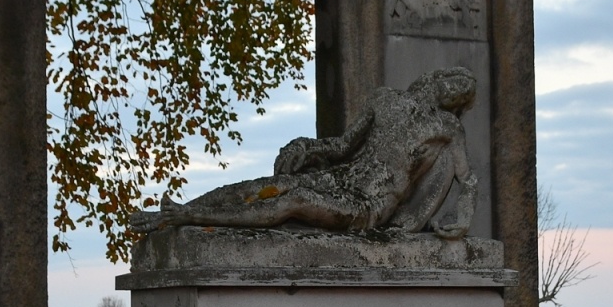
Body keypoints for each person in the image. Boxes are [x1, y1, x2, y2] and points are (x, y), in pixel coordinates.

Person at [128, 67, 478, 239]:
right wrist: (306, 145)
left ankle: (189, 217)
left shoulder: (446, 127)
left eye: (463, 94)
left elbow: (468, 180)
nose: (458, 91)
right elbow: (342, 146)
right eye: (458, 81)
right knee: (267, 186)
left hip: (369, 206)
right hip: (342, 178)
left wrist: (462, 218)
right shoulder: (385, 99)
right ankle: (174, 213)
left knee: (294, 199)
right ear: (438, 76)